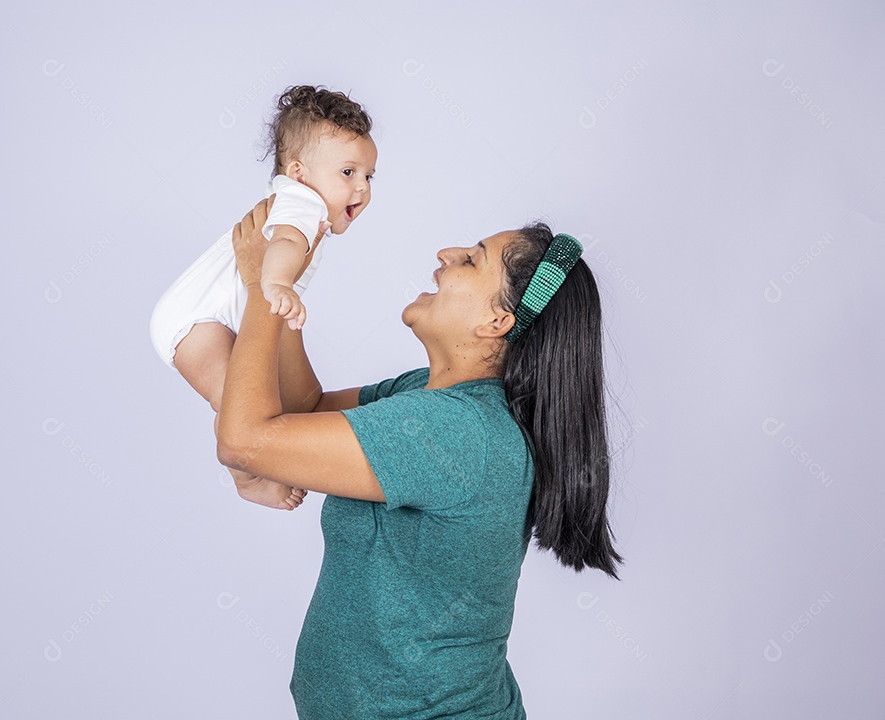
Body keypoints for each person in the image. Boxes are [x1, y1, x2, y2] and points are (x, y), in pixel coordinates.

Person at [215, 200, 624, 719]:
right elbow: (306, 410)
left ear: (497, 320)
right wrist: (287, 287)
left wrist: (259, 287)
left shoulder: (455, 431)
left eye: (472, 260)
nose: (446, 254)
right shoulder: (428, 396)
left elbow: (245, 442)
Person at [149, 85, 377, 511]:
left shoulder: (302, 201)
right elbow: (286, 242)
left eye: (369, 175)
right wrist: (273, 284)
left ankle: (254, 468)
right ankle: (247, 476)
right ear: (299, 172)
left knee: (255, 399)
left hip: (204, 317)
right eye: (348, 173)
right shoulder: (303, 205)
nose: (362, 188)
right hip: (197, 320)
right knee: (236, 402)